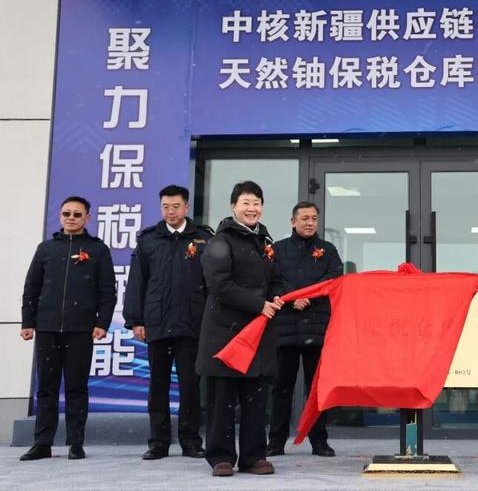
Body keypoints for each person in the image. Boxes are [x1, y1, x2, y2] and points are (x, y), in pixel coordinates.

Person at [196, 181, 284, 477]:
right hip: (226, 332)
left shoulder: (265, 241)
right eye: (246, 202)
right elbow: (219, 285)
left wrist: (276, 296)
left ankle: (254, 456)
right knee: (222, 399)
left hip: (258, 333)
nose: (252, 208)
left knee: (255, 399)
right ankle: (221, 456)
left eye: (256, 203)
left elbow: (276, 278)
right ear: (234, 206)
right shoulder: (220, 241)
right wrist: (258, 304)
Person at [20, 196, 116, 461]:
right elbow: (31, 288)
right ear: (60, 216)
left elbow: (107, 291)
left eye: (77, 214)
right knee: (46, 388)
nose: (71, 218)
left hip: (81, 329)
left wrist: (102, 323)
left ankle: (76, 442)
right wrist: (28, 322)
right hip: (47, 328)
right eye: (66, 213)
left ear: (88, 217)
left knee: (77, 387)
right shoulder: (46, 249)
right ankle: (42, 443)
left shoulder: (97, 250)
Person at [123, 185, 213, 460]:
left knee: (190, 386)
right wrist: (135, 320)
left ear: (186, 207)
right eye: (165, 207)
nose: (171, 212)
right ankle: (158, 442)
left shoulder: (203, 238)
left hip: (192, 323)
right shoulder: (149, 239)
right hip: (157, 323)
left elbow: (213, 283)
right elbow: (137, 282)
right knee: (158, 385)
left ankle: (191, 441)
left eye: (176, 206)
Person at [267, 202, 343, 457]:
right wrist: (292, 298)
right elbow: (272, 281)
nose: (310, 223)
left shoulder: (328, 250)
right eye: (304, 219)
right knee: (281, 387)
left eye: (313, 219)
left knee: (316, 388)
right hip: (285, 327)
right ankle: (276, 441)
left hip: (317, 327)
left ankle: (319, 441)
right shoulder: (278, 249)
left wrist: (309, 297)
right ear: (293, 221)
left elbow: (334, 279)